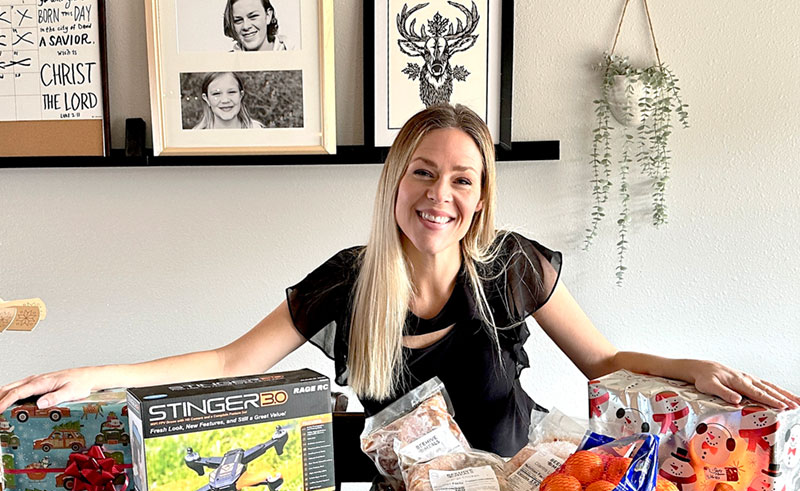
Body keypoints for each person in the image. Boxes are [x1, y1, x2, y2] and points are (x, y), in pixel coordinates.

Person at [0, 104, 797, 452]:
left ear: (481, 194)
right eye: (422, 173)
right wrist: (91, 374)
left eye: (461, 179)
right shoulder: (346, 284)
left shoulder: (514, 266)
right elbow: (230, 363)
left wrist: (687, 366)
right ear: (394, 181)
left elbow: (604, 364)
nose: (439, 197)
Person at [192, 71, 264, 130]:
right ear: (206, 99)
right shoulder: (194, 138)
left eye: (231, 92)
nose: (225, 100)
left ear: (241, 95)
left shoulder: (258, 131)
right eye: (216, 93)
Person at [224, 0, 294, 52]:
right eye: (238, 20)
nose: (246, 26)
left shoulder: (294, 54)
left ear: (268, 16)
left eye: (253, 16)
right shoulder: (225, 63)